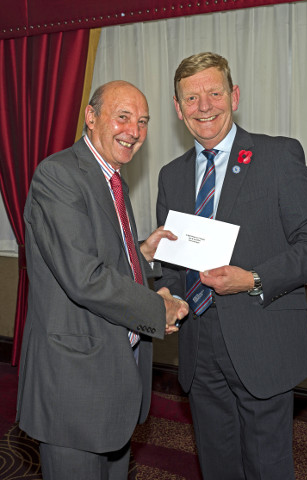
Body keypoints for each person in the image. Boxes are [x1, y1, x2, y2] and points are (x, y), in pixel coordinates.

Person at [155, 52, 307, 480]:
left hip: (262, 339)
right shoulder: (171, 176)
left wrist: (253, 278)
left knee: (266, 467)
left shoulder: (278, 157)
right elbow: (170, 260)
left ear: (233, 96)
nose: (205, 106)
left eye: (214, 93)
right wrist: (167, 293)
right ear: (177, 108)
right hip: (198, 346)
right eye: (192, 98)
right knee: (217, 466)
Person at [16, 80, 189, 480]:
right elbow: (84, 277)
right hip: (74, 381)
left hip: (114, 369)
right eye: (123, 117)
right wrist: (157, 307)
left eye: (143, 121)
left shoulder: (111, 177)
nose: (134, 130)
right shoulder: (58, 175)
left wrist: (142, 254)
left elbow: (101, 256)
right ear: (91, 117)